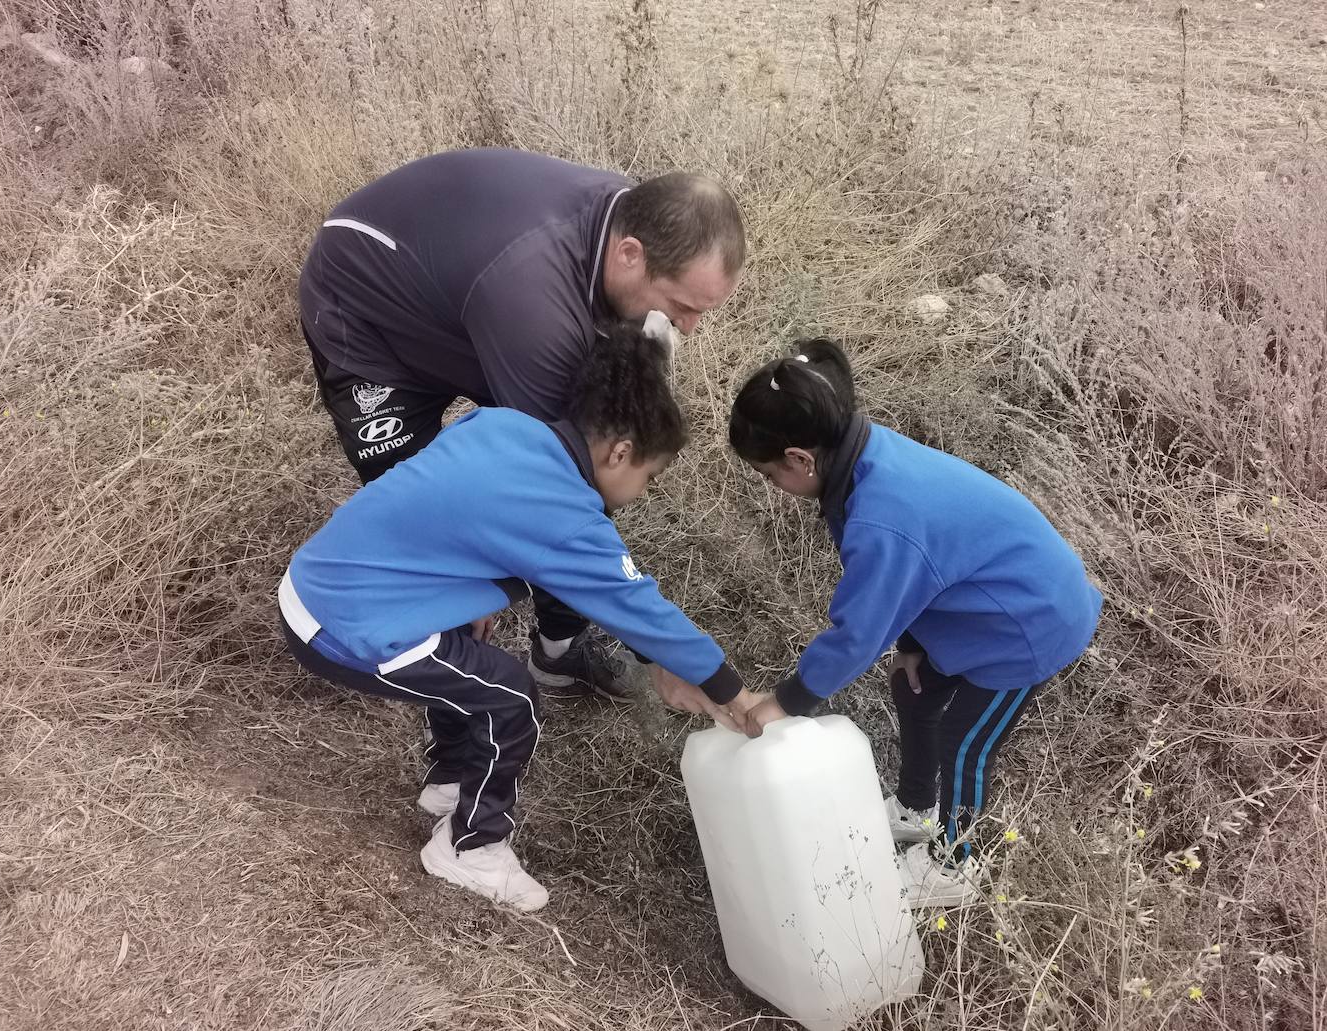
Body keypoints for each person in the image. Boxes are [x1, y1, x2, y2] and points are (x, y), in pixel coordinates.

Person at [277, 323, 754, 912]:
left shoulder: (507, 425)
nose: (644, 492)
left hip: (316, 583)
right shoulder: (566, 511)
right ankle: (471, 845)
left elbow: (443, 510)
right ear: (620, 452)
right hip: (346, 624)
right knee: (510, 696)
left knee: (463, 653)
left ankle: (450, 781)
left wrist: (471, 598)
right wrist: (727, 688)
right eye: (648, 477)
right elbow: (637, 605)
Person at [298, 148, 746, 701]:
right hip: (367, 311)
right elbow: (555, 500)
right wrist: (657, 645)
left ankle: (553, 650)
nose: (690, 327)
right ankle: (456, 664)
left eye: (703, 311)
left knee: (544, 458)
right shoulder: (536, 310)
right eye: (682, 305)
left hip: (462, 300)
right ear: (630, 255)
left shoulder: (629, 224)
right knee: (443, 494)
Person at [727, 339, 1102, 909]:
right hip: (981, 601)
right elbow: (921, 570)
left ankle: (954, 866)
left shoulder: (882, 515)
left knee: (965, 744)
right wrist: (912, 642)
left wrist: (785, 701)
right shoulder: (861, 459)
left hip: (1029, 624)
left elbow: (858, 633)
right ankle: (915, 810)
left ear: (801, 460)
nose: (773, 488)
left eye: (769, 475)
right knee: (914, 685)